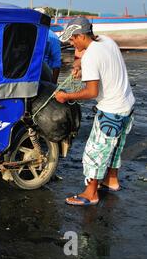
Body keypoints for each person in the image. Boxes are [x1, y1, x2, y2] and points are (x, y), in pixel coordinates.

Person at [55, 17, 135, 206]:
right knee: (115, 147)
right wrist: (78, 65)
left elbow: (92, 92)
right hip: (127, 105)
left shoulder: (91, 56)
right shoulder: (106, 41)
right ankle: (112, 180)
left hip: (110, 111)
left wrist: (66, 96)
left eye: (73, 39)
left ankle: (91, 194)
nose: (71, 43)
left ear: (81, 35)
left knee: (94, 152)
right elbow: (100, 66)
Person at [35, 8, 62, 83]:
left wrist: (53, 83)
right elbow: (57, 62)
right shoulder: (52, 36)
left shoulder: (52, 37)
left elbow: (56, 63)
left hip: (43, 75)